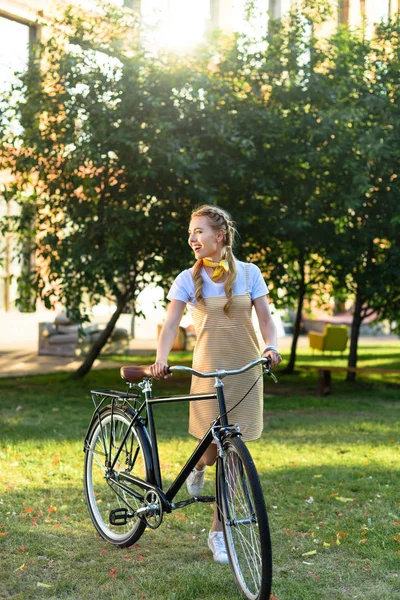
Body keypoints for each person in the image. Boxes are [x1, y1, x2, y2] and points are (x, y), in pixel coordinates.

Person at [150, 204, 281, 564]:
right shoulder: (185, 279)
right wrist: (161, 358)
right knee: (210, 450)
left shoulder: (250, 273)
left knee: (234, 456)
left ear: (219, 235)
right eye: (190, 233)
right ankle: (197, 466)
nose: (192, 238)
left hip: (246, 372)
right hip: (208, 372)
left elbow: (267, 320)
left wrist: (271, 346)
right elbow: (171, 323)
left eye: (199, 231)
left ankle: (218, 531)